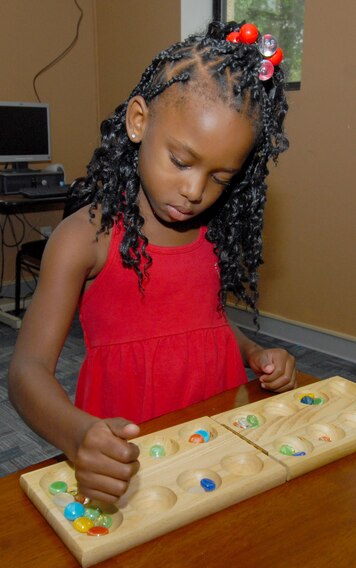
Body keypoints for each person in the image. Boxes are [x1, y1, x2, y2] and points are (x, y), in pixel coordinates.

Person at [8, 20, 297, 503]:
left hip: (215, 435)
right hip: (127, 454)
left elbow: (208, 320)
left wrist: (253, 355)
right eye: (182, 161)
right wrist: (77, 434)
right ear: (139, 121)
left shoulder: (213, 234)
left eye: (220, 177)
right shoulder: (85, 238)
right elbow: (26, 370)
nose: (195, 190)